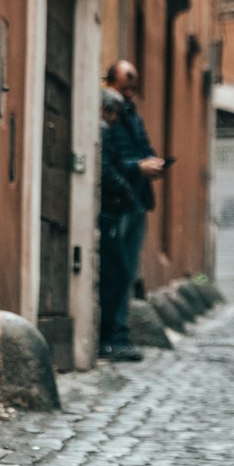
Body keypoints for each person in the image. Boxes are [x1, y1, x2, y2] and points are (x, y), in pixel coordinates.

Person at [105, 61, 166, 362]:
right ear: (112, 82)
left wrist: (154, 162)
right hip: (119, 200)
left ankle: (120, 332)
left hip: (137, 198)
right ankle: (114, 335)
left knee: (127, 271)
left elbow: (143, 146)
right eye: (125, 87)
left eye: (133, 88)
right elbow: (111, 159)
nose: (130, 93)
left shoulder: (131, 114)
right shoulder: (109, 113)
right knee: (119, 270)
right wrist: (137, 167)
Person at [98, 88, 136, 360]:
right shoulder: (102, 130)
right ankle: (107, 337)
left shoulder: (105, 130)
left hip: (110, 212)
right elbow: (105, 168)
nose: (114, 119)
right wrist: (125, 189)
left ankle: (108, 335)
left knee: (117, 274)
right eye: (113, 113)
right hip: (107, 212)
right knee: (118, 274)